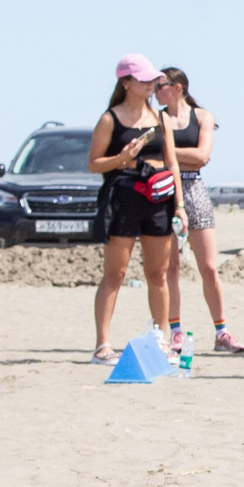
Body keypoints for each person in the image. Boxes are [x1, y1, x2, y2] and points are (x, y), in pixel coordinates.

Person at [87, 56, 181, 362]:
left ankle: (162, 339)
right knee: (115, 273)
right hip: (123, 195)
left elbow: (172, 162)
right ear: (126, 83)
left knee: (158, 274)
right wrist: (121, 158)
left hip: (157, 197)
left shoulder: (159, 118)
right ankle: (103, 344)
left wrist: (179, 205)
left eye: (152, 80)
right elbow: (93, 164)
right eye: (143, 79)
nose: (150, 84)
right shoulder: (109, 119)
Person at [155, 67, 244, 355]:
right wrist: (182, 156)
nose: (155, 92)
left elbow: (202, 156)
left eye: (161, 86)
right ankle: (175, 330)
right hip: (163, 189)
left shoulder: (203, 116)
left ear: (178, 87)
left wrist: (167, 151)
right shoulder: (158, 119)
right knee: (169, 267)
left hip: (194, 190)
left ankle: (222, 332)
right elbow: (186, 157)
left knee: (208, 266)